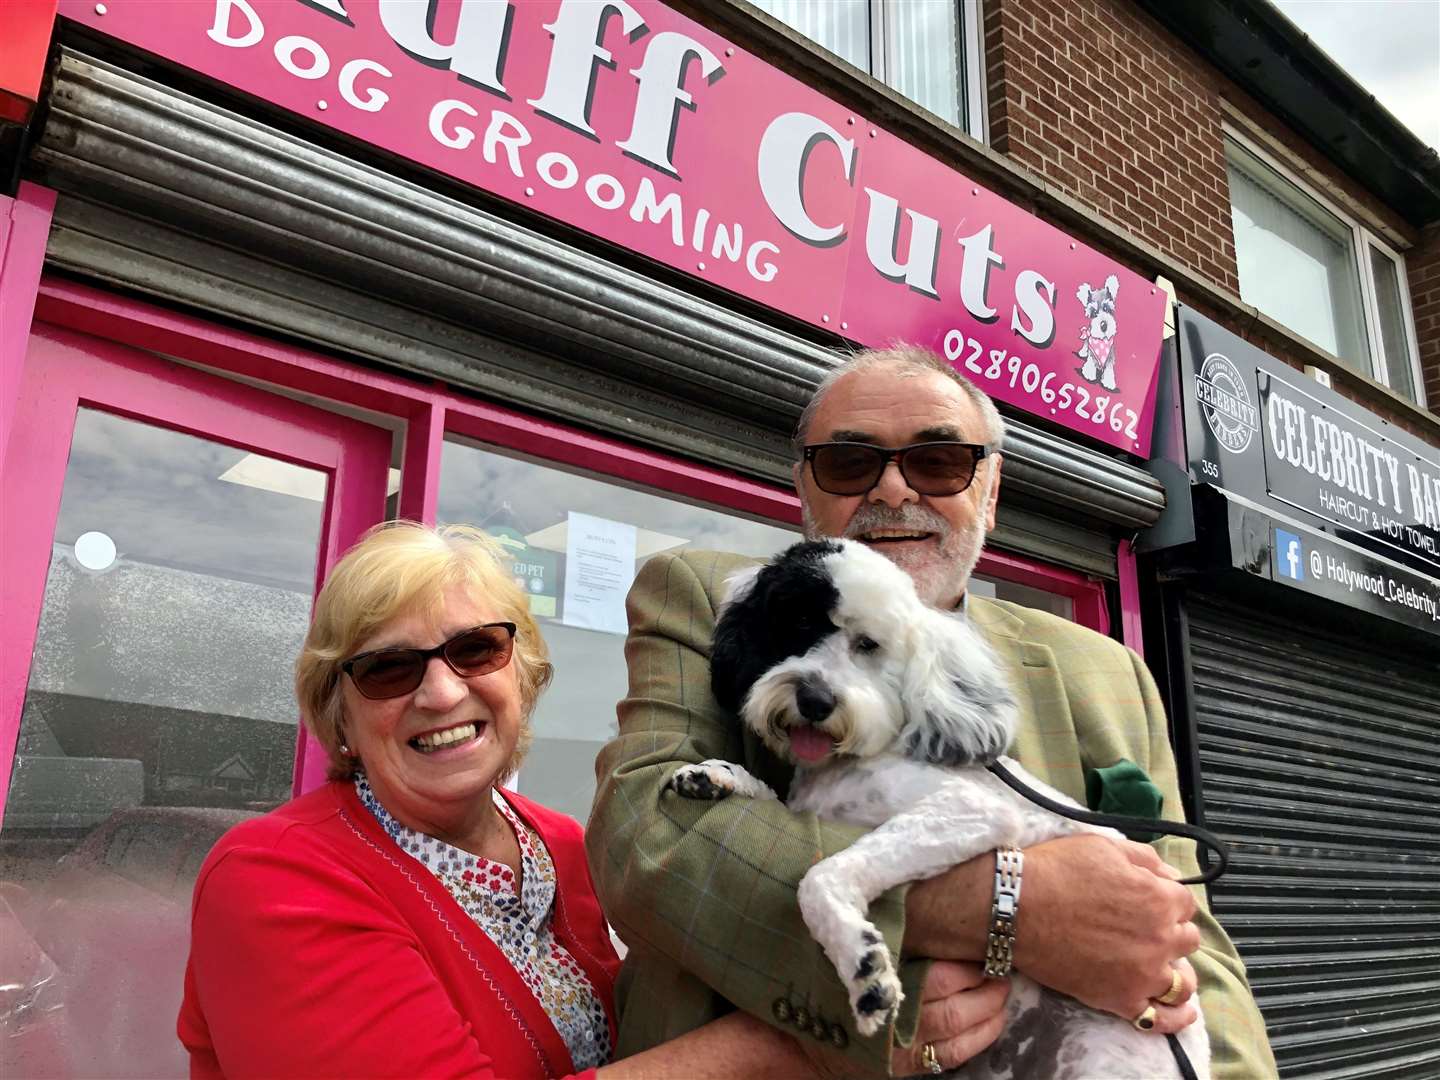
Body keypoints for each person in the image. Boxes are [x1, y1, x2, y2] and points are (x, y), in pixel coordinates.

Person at [587, 345, 1278, 1078]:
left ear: (990, 488)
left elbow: (1190, 937)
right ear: (803, 487)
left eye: (940, 461)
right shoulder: (713, 595)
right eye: (850, 464)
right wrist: (1006, 909)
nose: (892, 489)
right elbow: (649, 835)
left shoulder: (1107, 672)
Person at [178, 520, 969, 1079]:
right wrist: (813, 1047)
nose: (442, 690)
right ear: (338, 714)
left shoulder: (564, 845)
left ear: (522, 674)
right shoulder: (276, 877)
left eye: (475, 648)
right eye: (389, 669)